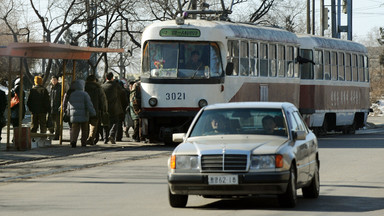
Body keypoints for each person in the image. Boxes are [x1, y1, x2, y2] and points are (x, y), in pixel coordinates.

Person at [66, 80, 96, 148]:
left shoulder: (72, 94)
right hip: (84, 115)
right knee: (84, 130)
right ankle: (83, 142)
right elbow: (89, 105)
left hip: (74, 115)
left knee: (74, 129)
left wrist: (68, 113)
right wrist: (93, 113)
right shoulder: (85, 94)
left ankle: (73, 141)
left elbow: (69, 105)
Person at [84, 75, 108, 145]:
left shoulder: (83, 87)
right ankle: (91, 138)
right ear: (94, 80)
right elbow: (103, 100)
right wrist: (104, 109)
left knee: (85, 124)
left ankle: (84, 138)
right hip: (95, 108)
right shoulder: (98, 88)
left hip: (85, 109)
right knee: (94, 124)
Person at [101, 72, 123, 144]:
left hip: (105, 107)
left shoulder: (102, 86)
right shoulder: (116, 86)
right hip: (115, 108)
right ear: (112, 77)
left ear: (106, 78)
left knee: (105, 123)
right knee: (115, 122)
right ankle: (112, 135)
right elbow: (122, 93)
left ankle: (105, 138)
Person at [47, 75, 62, 139]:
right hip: (50, 107)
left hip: (57, 107)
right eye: (52, 80)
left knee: (57, 123)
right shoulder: (49, 87)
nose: (53, 81)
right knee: (49, 122)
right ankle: (51, 133)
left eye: (55, 80)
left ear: (57, 80)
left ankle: (57, 135)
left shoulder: (60, 87)